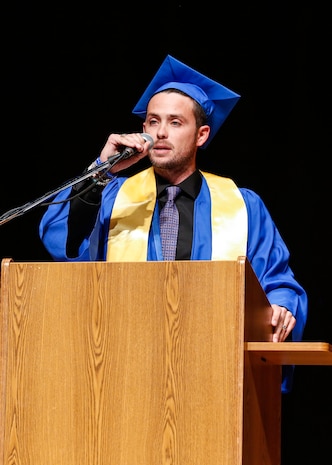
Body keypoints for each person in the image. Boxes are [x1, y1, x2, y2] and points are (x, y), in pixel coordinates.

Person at [39, 55, 308, 391]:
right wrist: (101, 169)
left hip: (211, 372)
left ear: (202, 135)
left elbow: (276, 279)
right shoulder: (113, 195)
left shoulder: (242, 205)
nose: (161, 132)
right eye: (152, 121)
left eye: (175, 122)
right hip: (123, 368)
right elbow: (59, 237)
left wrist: (281, 306)